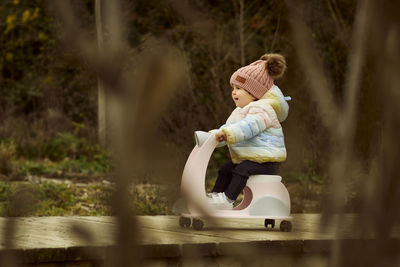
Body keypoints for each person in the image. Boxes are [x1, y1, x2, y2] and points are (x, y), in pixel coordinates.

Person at [208, 53, 289, 209]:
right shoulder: (242, 110)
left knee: (241, 170)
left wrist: (227, 133)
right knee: (226, 168)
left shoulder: (263, 109)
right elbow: (231, 126)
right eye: (233, 88)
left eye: (239, 88)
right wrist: (216, 135)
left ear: (254, 93)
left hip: (267, 160)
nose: (234, 92)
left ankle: (227, 200)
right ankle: (214, 198)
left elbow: (248, 127)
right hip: (253, 159)